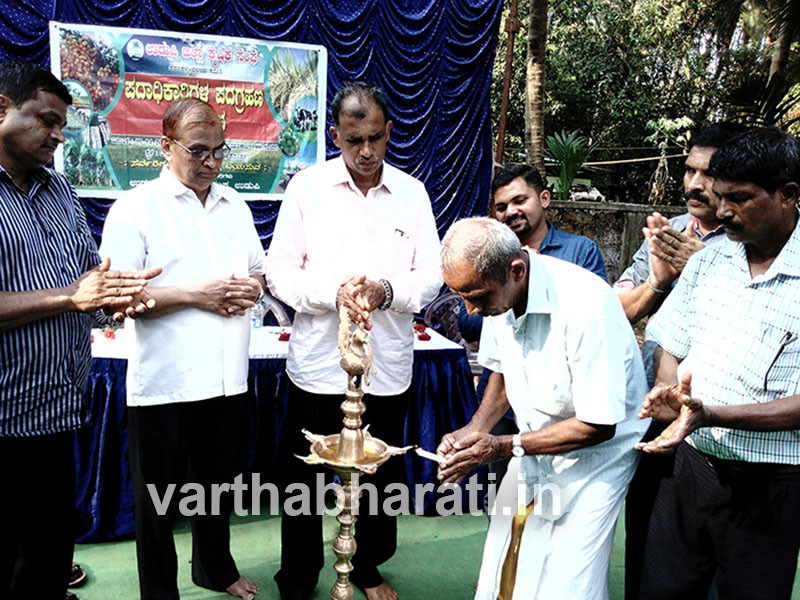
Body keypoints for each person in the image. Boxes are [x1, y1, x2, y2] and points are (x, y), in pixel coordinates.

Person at [265, 81, 442, 600]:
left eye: (375, 139)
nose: (366, 152)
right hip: (320, 364)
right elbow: (280, 270)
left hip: (386, 364)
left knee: (379, 474)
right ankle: (297, 577)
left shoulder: (412, 193)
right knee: (304, 480)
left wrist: (386, 291)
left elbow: (431, 274)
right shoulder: (307, 189)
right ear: (333, 136)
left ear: (389, 132)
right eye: (352, 140)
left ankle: (367, 568)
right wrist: (333, 294)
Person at [0, 60, 159, 600]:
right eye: (46, 120)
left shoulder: (60, 192)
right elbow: (70, 293)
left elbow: (86, 277)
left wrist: (117, 297)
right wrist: (71, 296)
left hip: (58, 413)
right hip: (2, 420)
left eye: (63, 125)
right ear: (2, 109)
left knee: (47, 556)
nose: (57, 136)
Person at [100, 98, 265, 600]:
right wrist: (198, 294)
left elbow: (258, 271)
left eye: (220, 151)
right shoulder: (135, 207)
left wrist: (250, 289)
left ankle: (213, 568)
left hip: (226, 379)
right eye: (198, 151)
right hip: (164, 385)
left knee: (216, 489)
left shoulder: (234, 204)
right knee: (158, 503)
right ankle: (159, 592)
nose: (212, 162)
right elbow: (117, 298)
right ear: (165, 147)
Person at [437, 217, 649, 600]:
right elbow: (501, 370)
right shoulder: (498, 294)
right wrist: (475, 429)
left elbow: (598, 425)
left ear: (516, 270)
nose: (469, 309)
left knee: (569, 578)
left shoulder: (588, 305)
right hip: (532, 440)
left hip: (597, 456)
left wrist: (502, 447)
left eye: (477, 297)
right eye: (461, 295)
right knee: (504, 560)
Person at [635, 127, 800, 600]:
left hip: (771, 487)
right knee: (663, 591)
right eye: (721, 197)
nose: (723, 211)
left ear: (788, 194)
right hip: (691, 469)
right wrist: (671, 392)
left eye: (740, 199)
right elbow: (671, 340)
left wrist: (706, 414)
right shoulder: (711, 261)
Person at [614, 122, 747, 600]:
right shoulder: (667, 234)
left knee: (718, 560)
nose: (693, 183)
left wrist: (704, 269)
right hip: (657, 412)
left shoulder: (755, 244)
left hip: (725, 424)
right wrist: (660, 280)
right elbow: (619, 307)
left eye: (707, 174)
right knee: (650, 543)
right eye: (689, 170)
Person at [457, 163, 607, 508]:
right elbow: (470, 329)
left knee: (561, 508)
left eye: (519, 200)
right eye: (501, 207)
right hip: (506, 405)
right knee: (505, 509)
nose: (511, 212)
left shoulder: (579, 253)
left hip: (563, 411)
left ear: (544, 199)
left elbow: (585, 324)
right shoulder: (487, 264)